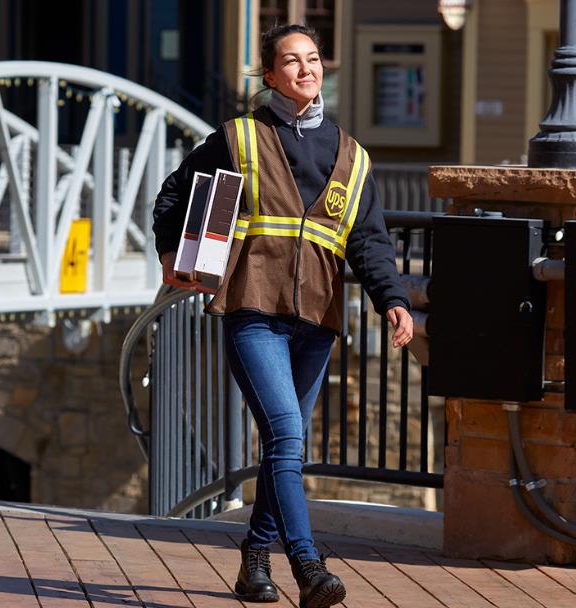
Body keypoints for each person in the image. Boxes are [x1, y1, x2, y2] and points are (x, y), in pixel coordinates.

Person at [151, 23, 413, 608]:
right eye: (290, 61)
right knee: (288, 434)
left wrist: (392, 300)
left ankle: (253, 561)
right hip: (252, 308)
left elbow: (369, 241)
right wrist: (172, 251)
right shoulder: (239, 137)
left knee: (282, 445)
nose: (305, 69)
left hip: (317, 318)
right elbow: (171, 196)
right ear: (269, 75)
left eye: (313, 59)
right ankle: (308, 564)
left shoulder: (352, 155)